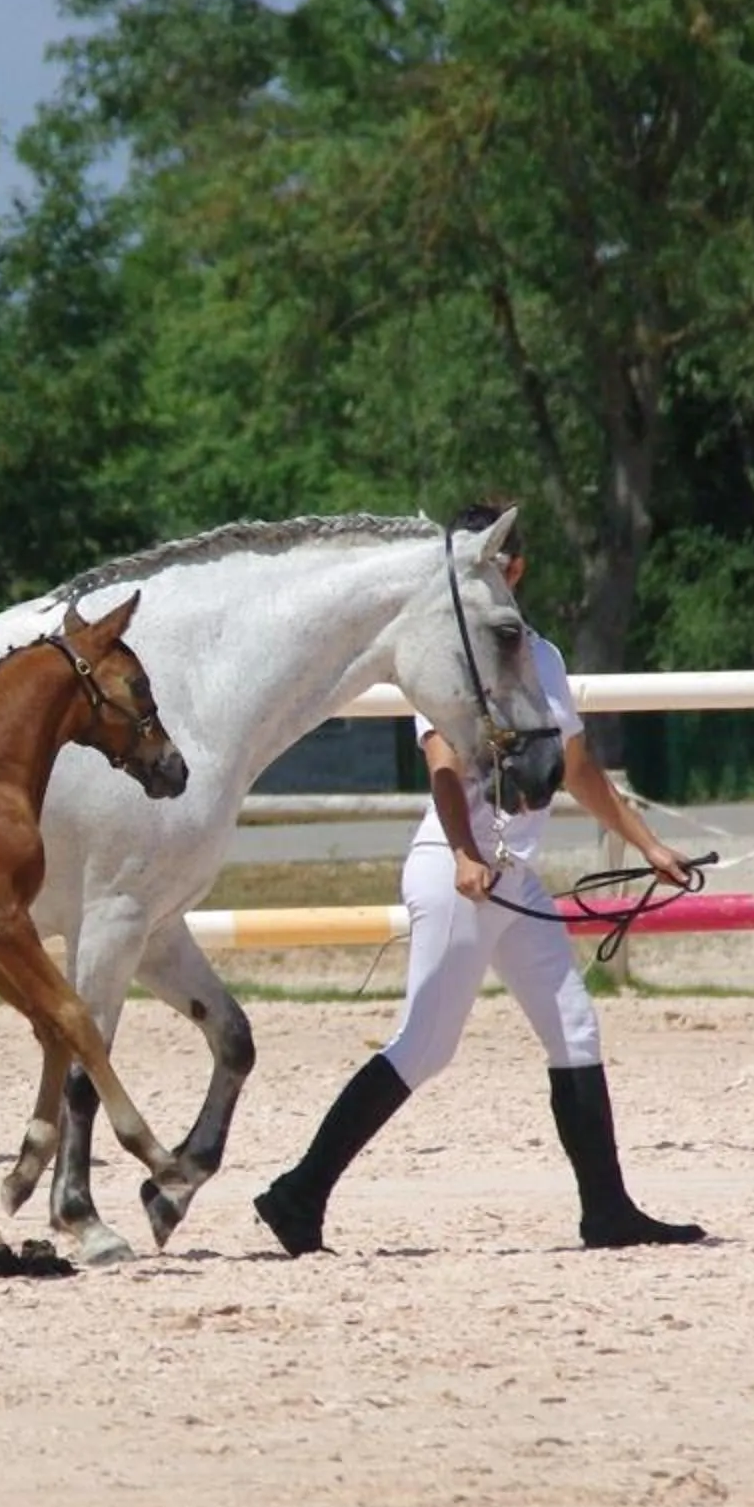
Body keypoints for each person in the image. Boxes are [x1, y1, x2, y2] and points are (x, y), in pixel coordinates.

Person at [252, 524, 706, 1257]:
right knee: (425, 1046)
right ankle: (298, 1193)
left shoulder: (544, 657)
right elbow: (440, 762)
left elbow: (578, 767)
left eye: (497, 562)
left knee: (574, 1030)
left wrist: (648, 844)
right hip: (457, 868)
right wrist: (463, 853)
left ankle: (607, 1211)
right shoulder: (449, 659)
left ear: (516, 568)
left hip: (514, 875)